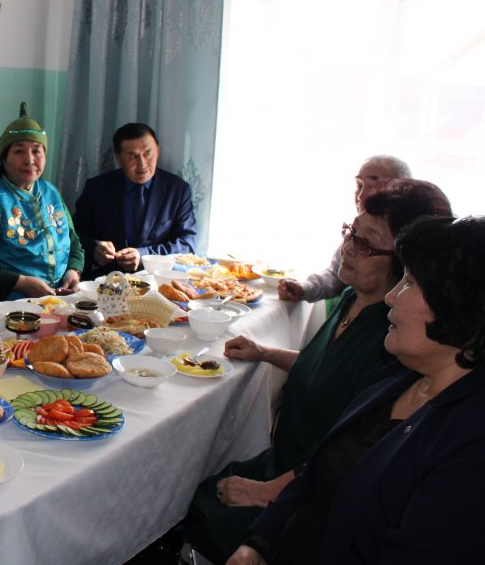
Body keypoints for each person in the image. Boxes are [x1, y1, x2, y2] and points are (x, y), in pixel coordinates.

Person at [184, 179, 452, 563]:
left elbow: (350, 450)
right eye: (351, 232)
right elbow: (327, 370)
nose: (349, 247)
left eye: (368, 243)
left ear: (403, 263)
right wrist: (266, 353)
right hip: (284, 460)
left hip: (306, 485)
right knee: (195, 484)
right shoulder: (351, 299)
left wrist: (269, 491)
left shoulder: (393, 341)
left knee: (206, 512)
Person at [229, 215, 485, 565]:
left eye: (410, 283)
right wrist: (257, 543)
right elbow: (318, 473)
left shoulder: (470, 443)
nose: (392, 296)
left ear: (459, 307)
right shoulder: (400, 376)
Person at [0, 103, 84, 303]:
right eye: (19, 151)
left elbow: (73, 241)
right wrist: (19, 282)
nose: (29, 160)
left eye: (37, 151)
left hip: (56, 301)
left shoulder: (51, 192)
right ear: (3, 159)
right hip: (2, 306)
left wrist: (73, 271)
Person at [279, 155, 410, 303]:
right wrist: (305, 288)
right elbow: (335, 275)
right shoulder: (357, 232)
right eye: (359, 186)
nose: (361, 196)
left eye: (373, 186)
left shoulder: (407, 240)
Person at [73, 122, 197, 277]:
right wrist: (94, 247)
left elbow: (187, 244)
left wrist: (144, 255)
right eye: (133, 156)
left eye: (148, 153)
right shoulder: (96, 188)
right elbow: (74, 235)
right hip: (104, 280)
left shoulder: (177, 190)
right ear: (119, 158)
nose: (142, 164)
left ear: (157, 151)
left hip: (157, 281)